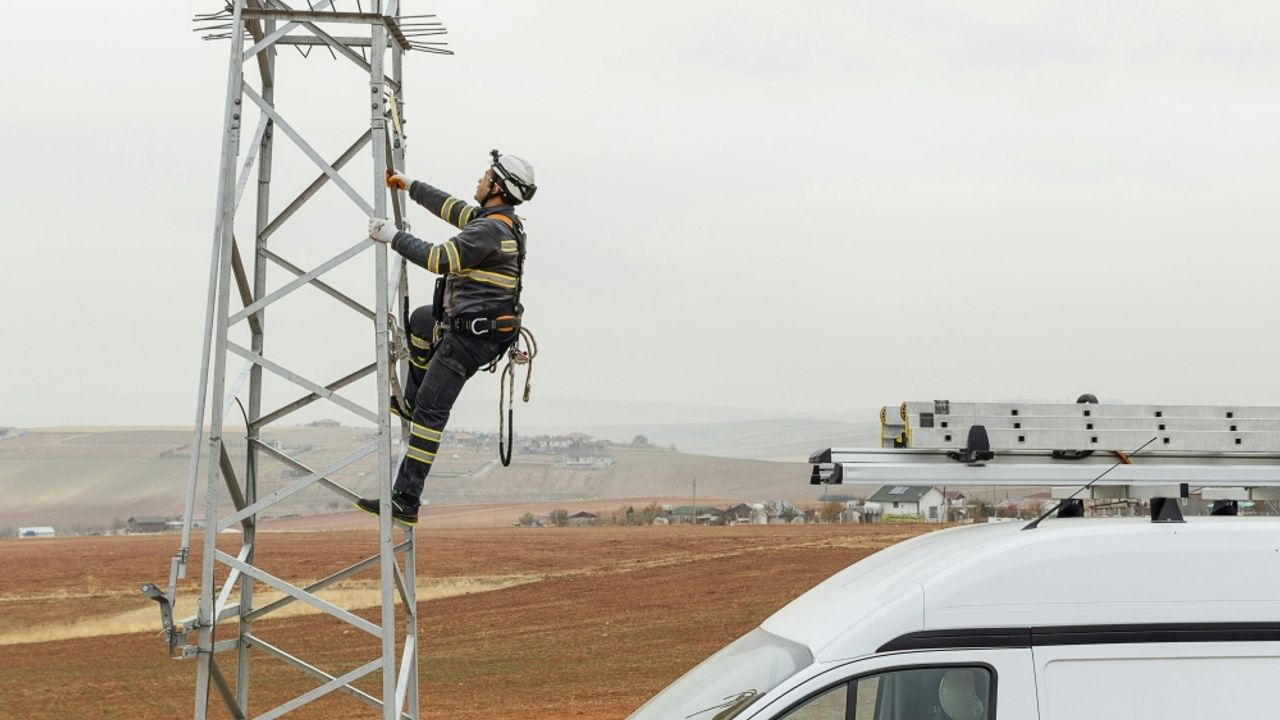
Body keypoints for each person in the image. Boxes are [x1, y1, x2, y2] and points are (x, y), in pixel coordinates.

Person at [357, 150, 536, 524]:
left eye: (486, 175)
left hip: (470, 341)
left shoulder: (489, 231)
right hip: (474, 331)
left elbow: (440, 259)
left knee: (430, 416)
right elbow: (449, 207)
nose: (480, 180)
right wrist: (410, 185)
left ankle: (406, 499)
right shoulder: (498, 222)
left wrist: (392, 236)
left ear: (497, 188)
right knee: (423, 320)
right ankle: (410, 400)